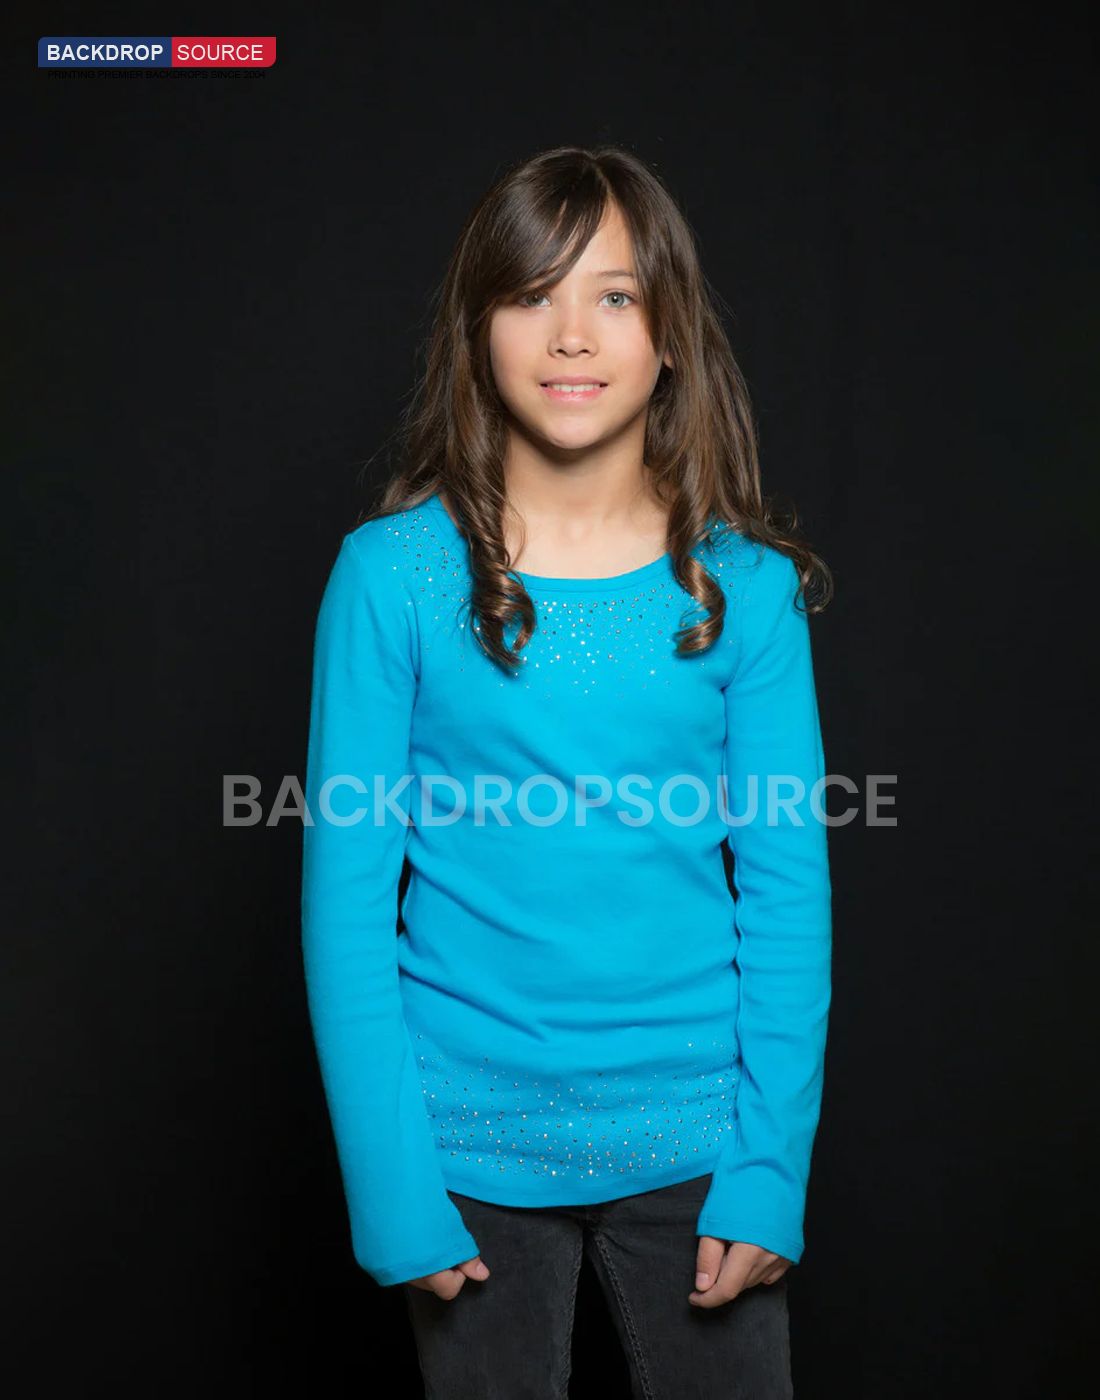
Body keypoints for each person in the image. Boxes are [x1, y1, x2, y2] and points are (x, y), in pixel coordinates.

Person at [300, 144, 834, 1399]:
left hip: (701, 1147)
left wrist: (769, 1168)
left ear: (668, 334)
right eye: (531, 294)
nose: (571, 335)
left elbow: (787, 892)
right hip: (460, 1156)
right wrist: (391, 1183)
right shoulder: (390, 578)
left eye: (613, 294)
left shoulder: (745, 590)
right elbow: (344, 905)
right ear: (477, 328)